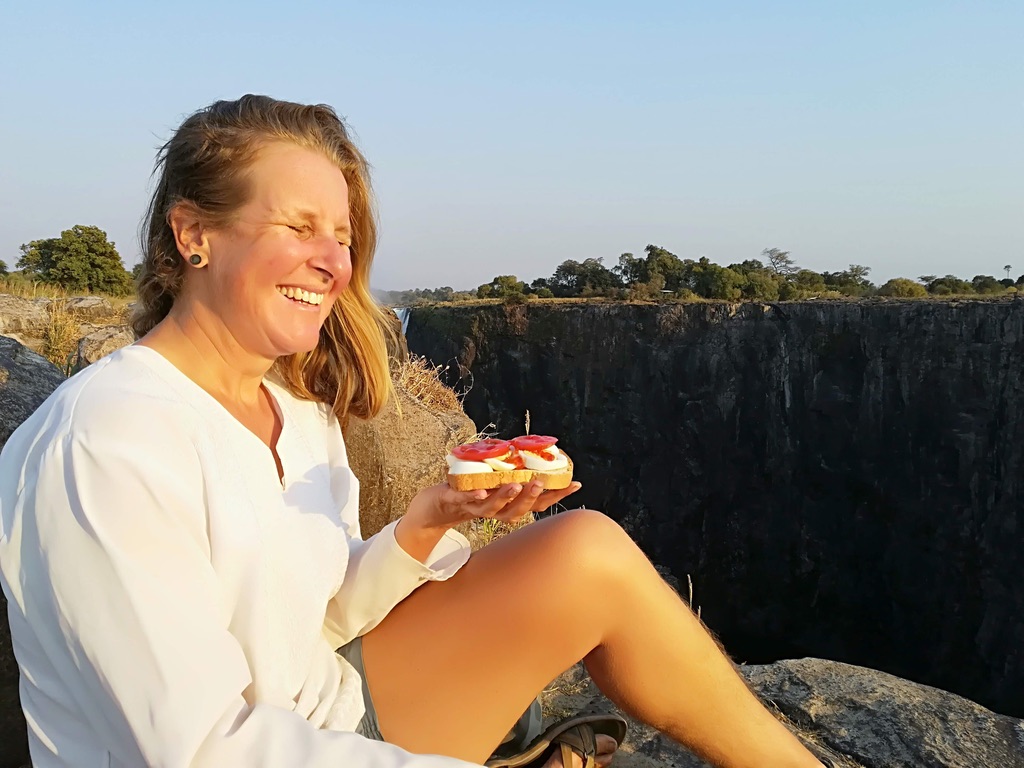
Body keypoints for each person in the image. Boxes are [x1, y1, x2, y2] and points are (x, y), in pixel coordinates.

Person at [0, 95, 831, 768]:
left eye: (342, 237)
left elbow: (316, 621)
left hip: (325, 709)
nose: (333, 262)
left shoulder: (295, 410)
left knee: (587, 551)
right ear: (194, 235)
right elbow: (197, 750)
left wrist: (426, 522)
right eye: (298, 227)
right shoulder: (106, 443)